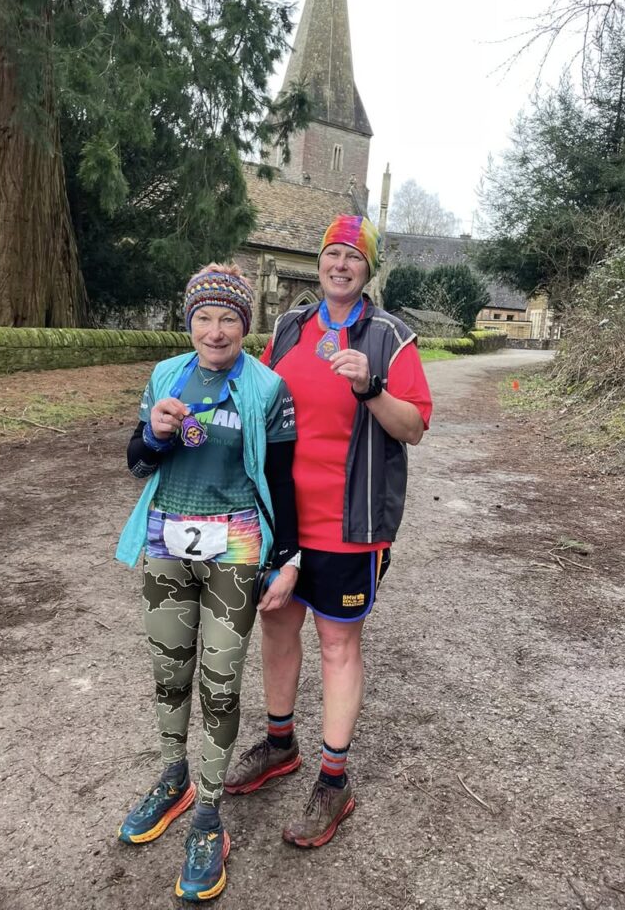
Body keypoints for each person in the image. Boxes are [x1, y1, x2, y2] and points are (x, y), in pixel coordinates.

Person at [224, 215, 432, 848]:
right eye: (332, 254)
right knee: (277, 625)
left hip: (351, 525)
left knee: (339, 645)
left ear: (369, 271)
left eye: (354, 257)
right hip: (280, 520)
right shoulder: (289, 327)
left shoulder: (391, 337)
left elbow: (413, 428)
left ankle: (334, 782)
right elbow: (253, 400)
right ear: (320, 263)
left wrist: (369, 388)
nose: (341, 264)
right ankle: (281, 744)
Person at [114, 263, 300, 902]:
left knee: (220, 683)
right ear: (188, 321)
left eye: (228, 318)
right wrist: (156, 434)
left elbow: (282, 478)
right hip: (168, 542)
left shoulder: (268, 386)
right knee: (170, 674)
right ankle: (175, 777)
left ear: (245, 326)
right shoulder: (166, 376)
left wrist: (289, 557)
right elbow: (138, 463)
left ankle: (209, 816)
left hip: (237, 545)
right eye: (203, 317)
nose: (215, 330)